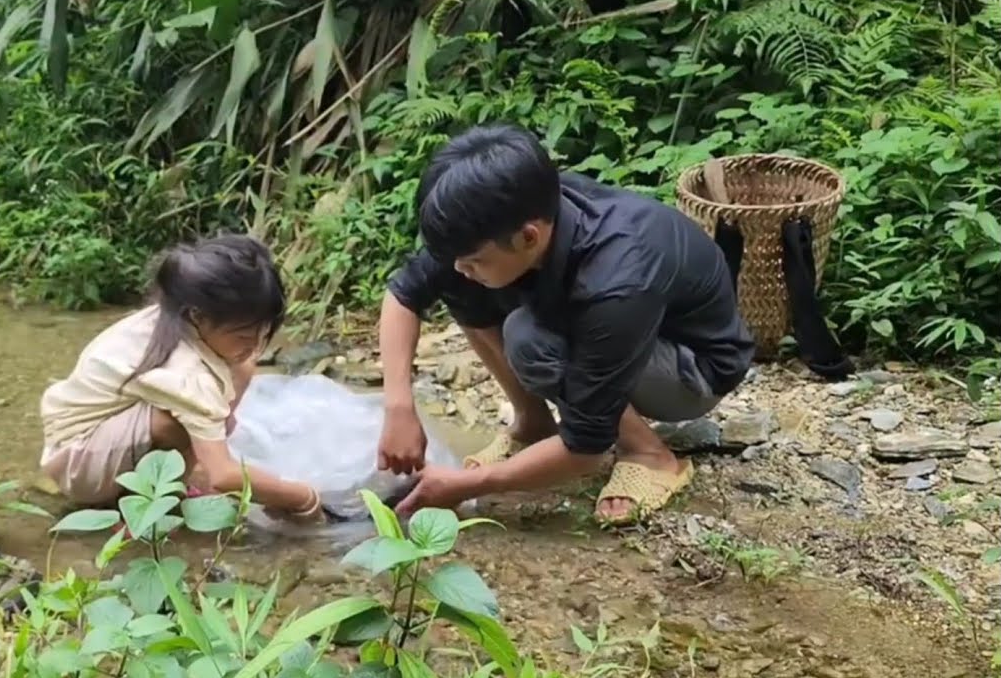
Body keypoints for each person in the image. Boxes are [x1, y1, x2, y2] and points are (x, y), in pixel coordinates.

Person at [377, 124, 755, 525]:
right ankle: (532, 424)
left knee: (529, 340)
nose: (461, 266)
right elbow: (403, 296)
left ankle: (650, 454)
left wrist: (468, 485)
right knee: (460, 284)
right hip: (619, 332)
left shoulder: (616, 278)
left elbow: (586, 448)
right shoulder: (508, 211)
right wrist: (399, 407)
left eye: (473, 259)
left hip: (690, 370)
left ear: (528, 237)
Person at [39, 234, 323, 523]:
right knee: (174, 424)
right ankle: (142, 504)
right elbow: (223, 477)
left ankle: (183, 472)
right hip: (77, 462)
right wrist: (302, 497)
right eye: (243, 336)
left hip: (101, 436)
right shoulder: (185, 375)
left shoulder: (174, 314)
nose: (256, 346)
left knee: (242, 367)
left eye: (263, 333)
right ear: (197, 316)